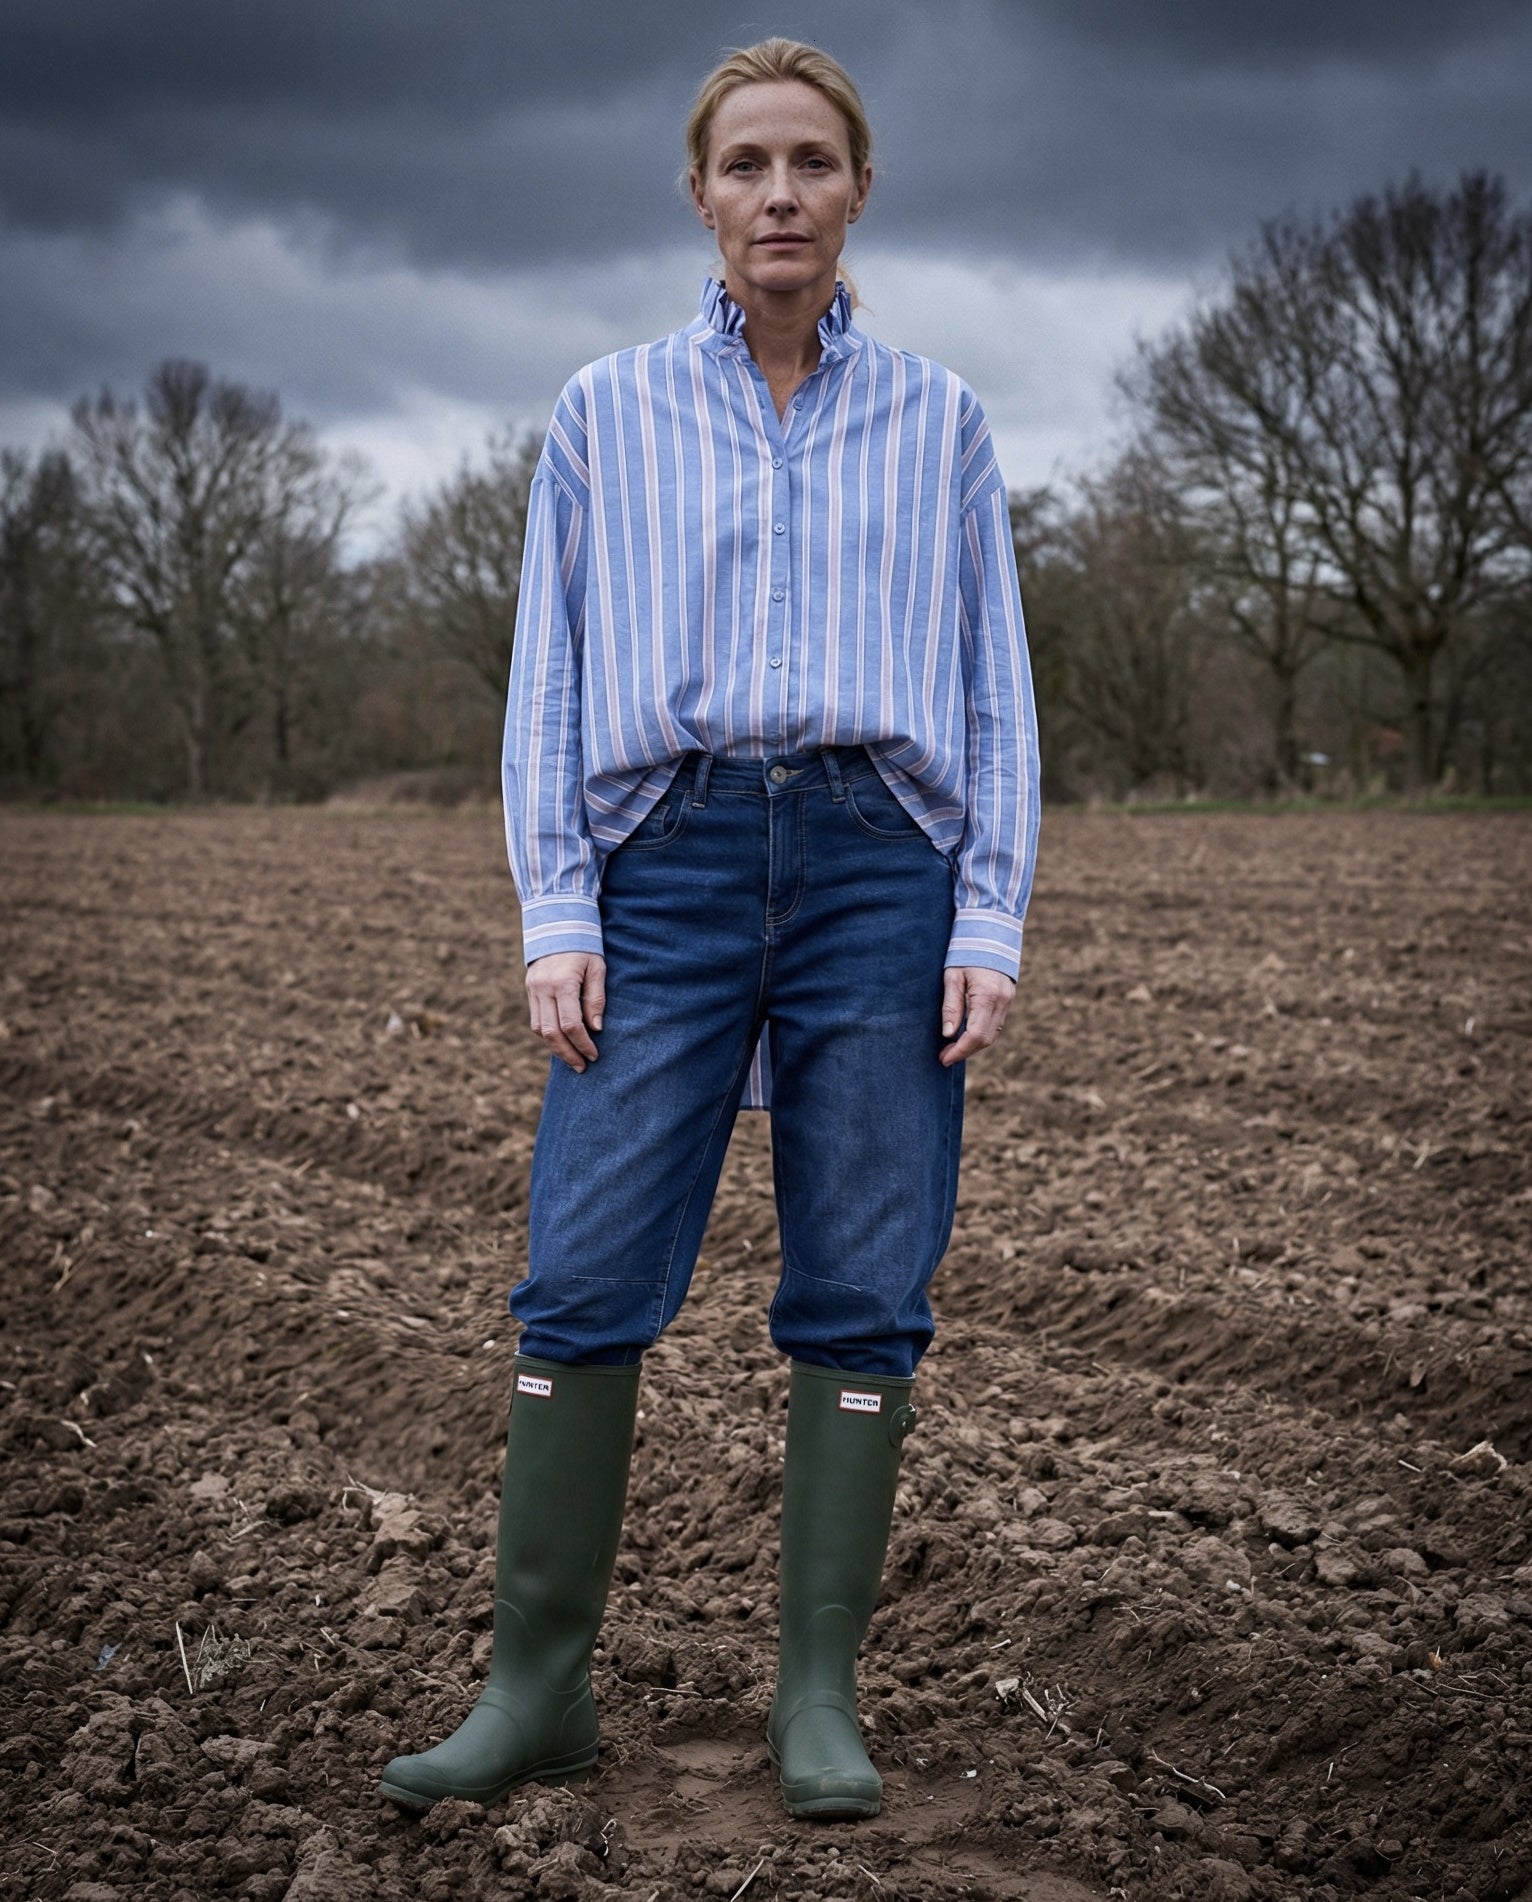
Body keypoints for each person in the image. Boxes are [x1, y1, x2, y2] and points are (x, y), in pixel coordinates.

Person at [380, 35, 1039, 1824]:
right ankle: (536, 1687)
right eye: (746, 164)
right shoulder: (603, 412)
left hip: (880, 863)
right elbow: (551, 683)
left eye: (811, 163)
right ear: (701, 193)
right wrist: (555, 904)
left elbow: (992, 691)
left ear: (857, 191)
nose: (778, 195)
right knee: (584, 1269)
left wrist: (987, 912)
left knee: (863, 1279)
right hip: (658, 860)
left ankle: (816, 1694)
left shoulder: (945, 422)